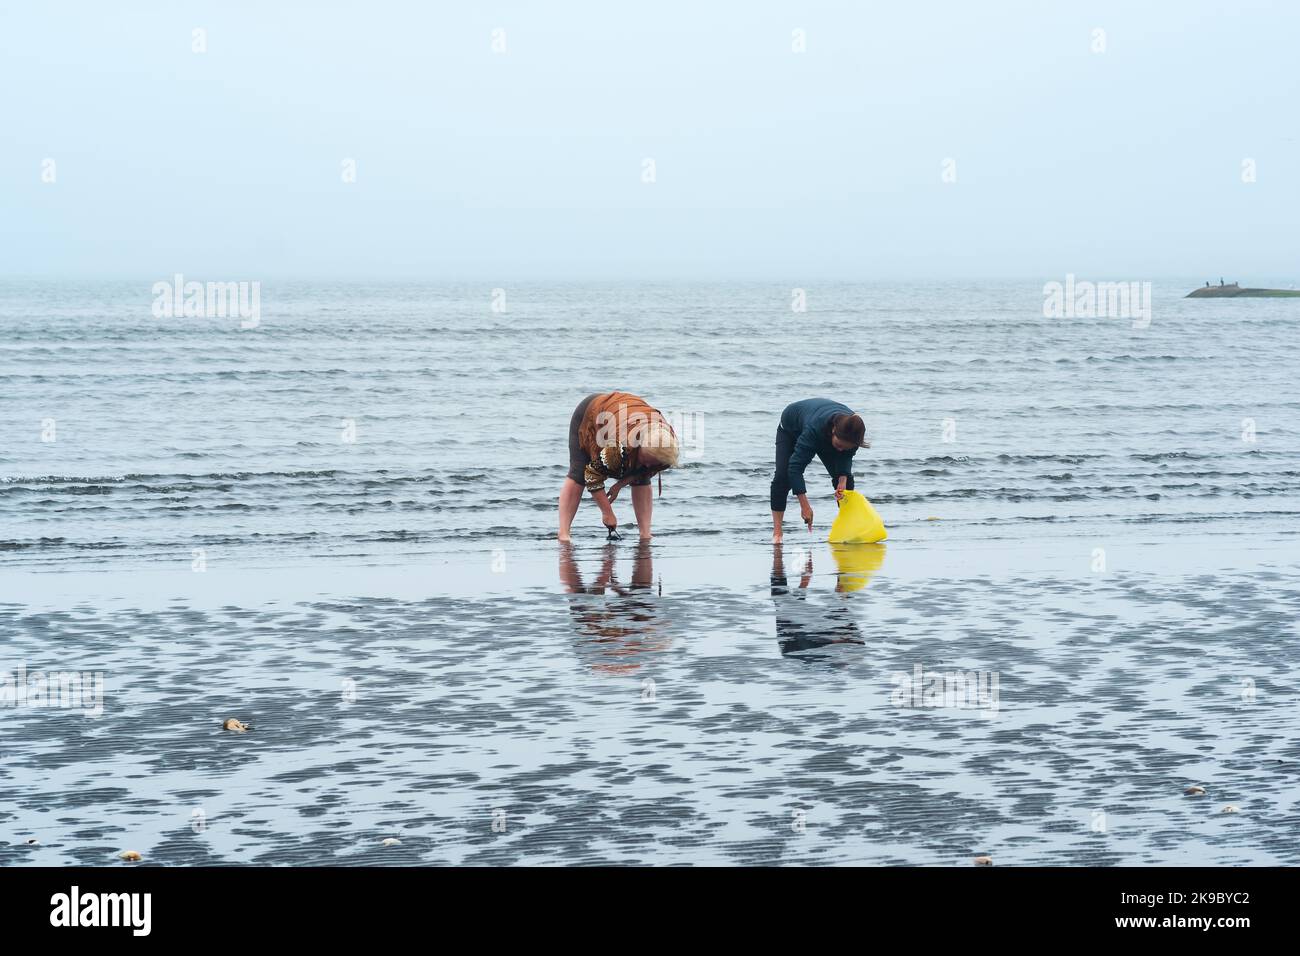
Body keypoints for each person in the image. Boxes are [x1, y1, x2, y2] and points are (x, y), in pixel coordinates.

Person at [558, 391, 679, 541]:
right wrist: (607, 512)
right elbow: (591, 475)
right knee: (578, 473)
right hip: (590, 412)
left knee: (643, 478)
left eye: (653, 463)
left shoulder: (667, 451)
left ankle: (645, 534)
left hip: (623, 412)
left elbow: (644, 470)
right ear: (638, 445)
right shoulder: (619, 447)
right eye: (645, 459)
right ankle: (563, 534)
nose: (647, 465)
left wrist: (620, 485)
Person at [770, 398, 868, 542]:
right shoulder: (814, 430)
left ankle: (849, 528)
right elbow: (795, 468)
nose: (840, 450)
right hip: (791, 427)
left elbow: (846, 456)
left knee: (845, 483)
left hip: (822, 427)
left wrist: (842, 479)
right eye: (839, 445)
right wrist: (805, 506)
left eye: (845, 447)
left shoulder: (854, 432)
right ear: (834, 430)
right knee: (782, 477)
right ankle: (777, 534)